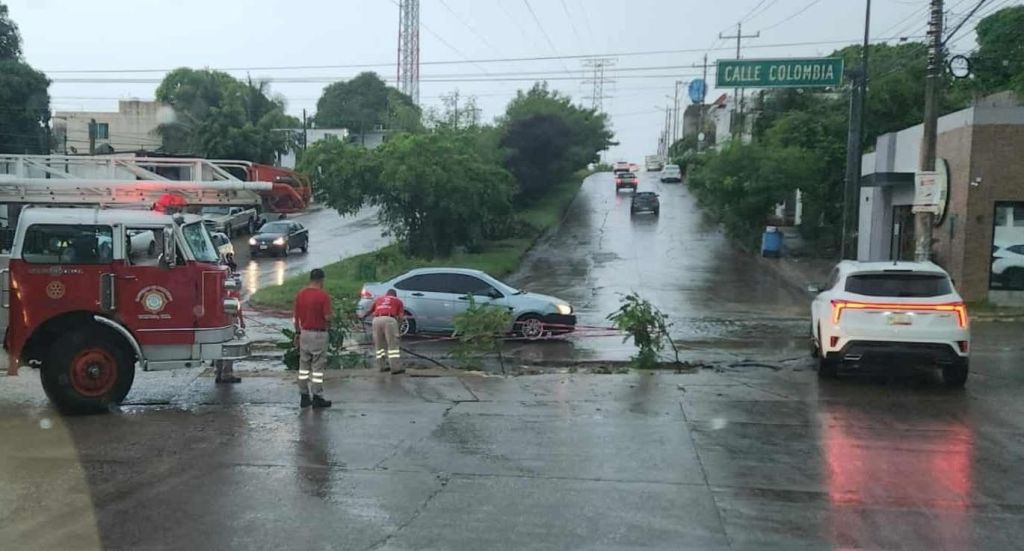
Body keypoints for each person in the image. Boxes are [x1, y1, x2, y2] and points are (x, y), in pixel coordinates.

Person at [293, 269, 332, 408]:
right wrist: (329, 325)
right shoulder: (323, 296)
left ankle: (304, 395)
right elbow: (327, 317)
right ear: (321, 280)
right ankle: (317, 396)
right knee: (317, 367)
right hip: (318, 333)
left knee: (303, 366)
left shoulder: (301, 294)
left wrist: (297, 333)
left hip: (304, 333)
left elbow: (296, 317)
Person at [364, 289, 404, 374]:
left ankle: (382, 366)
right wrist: (398, 330)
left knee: (379, 344)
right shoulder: (398, 301)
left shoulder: (379, 299)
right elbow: (400, 317)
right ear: (395, 295)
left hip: (376, 320)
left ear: (386, 294)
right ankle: (395, 368)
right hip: (389, 320)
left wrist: (362, 316)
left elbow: (370, 311)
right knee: (392, 344)